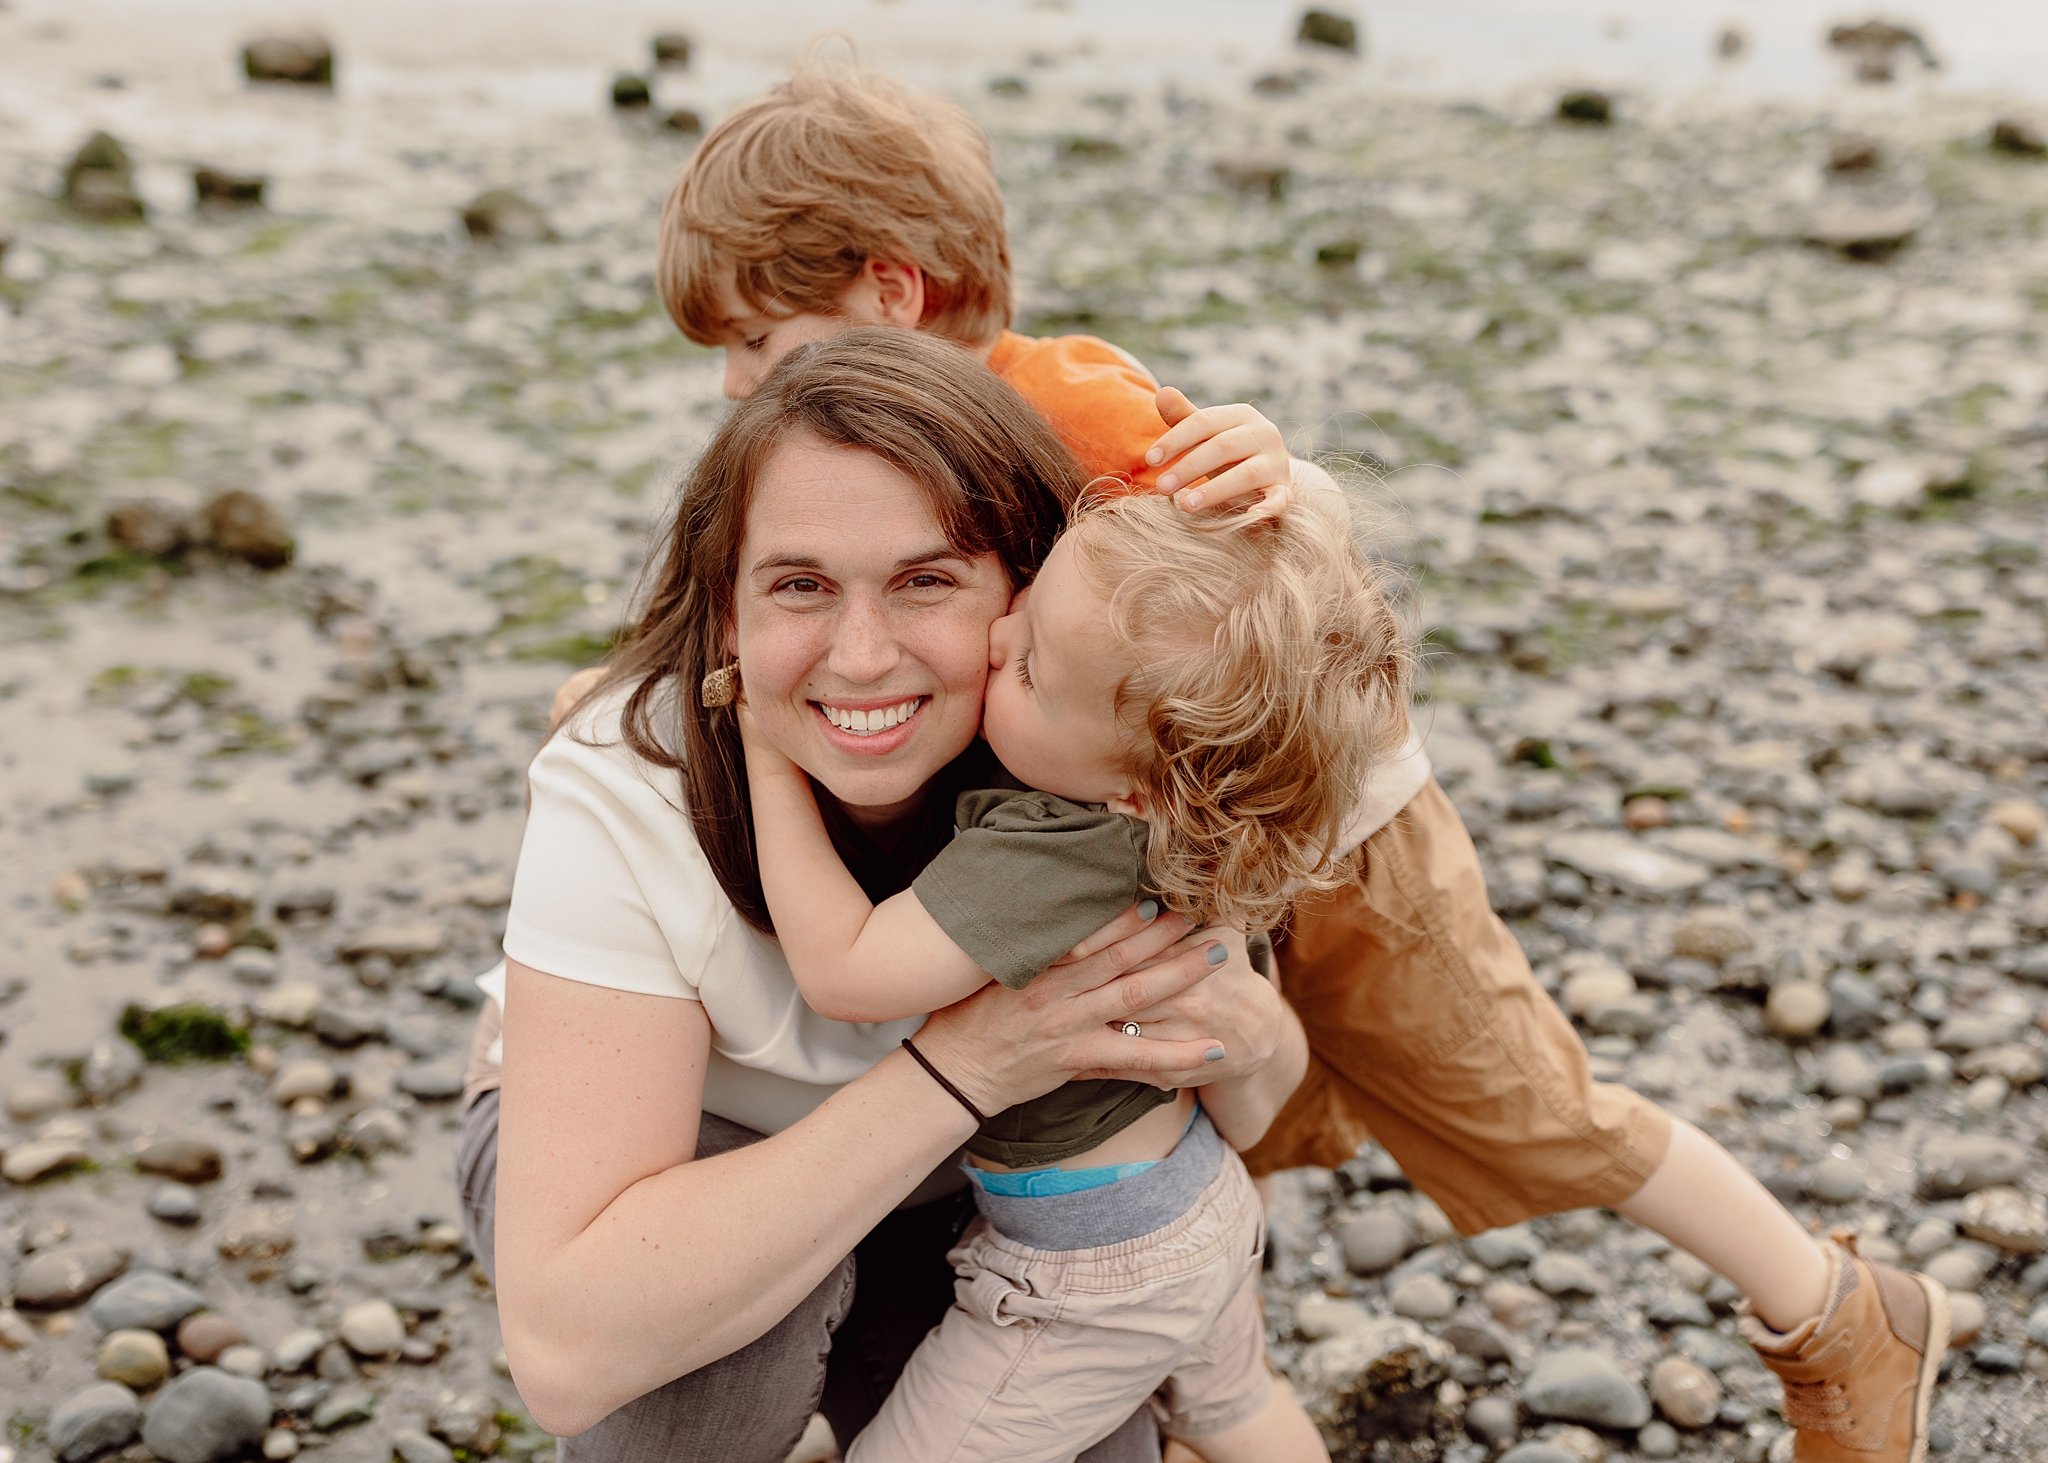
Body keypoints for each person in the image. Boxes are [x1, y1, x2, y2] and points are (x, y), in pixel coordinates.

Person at [629, 61, 1950, 1463]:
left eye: (760, 341)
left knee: (1523, 1104)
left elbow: (1290, 563)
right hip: (1166, 833)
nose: (732, 386)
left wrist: (1291, 474)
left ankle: (1837, 1308)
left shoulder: (1070, 413)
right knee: (1199, 1087)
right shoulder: (929, 450)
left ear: (890, 294)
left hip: (1334, 835)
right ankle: (1186, 1360)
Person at [459, 328, 1314, 1462]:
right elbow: (567, 1352)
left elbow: (1251, 1119)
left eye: (926, 581)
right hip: (660, 1178)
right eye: (799, 585)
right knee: (701, 1374)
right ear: (726, 610)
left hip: (972, 1205)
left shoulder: (1090, 740)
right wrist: (972, 1059)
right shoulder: (627, 785)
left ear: (1024, 587)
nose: (861, 657)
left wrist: (1242, 1035)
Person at [738, 477, 1410, 1461]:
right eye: (1028, 606)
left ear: (1135, 788)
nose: (997, 642)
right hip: (1195, 1198)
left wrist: (766, 754)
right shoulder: (1196, 820)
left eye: (1031, 672)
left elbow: (846, 972)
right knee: (1234, 1410)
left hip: (1090, 1262)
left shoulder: (1055, 847)